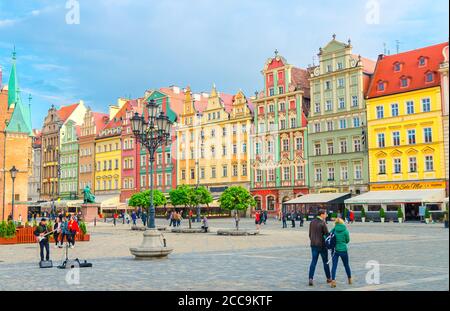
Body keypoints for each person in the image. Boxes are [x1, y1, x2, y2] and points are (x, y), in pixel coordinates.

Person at [308, 209, 331, 286]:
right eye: (325, 214)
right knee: (325, 262)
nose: (326, 215)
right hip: (321, 245)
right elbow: (327, 235)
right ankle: (328, 278)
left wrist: (312, 240)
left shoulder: (312, 222)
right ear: (321, 214)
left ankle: (310, 278)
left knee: (313, 262)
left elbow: (310, 234)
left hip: (313, 244)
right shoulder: (322, 223)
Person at [330, 218, 352, 288]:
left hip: (335, 251)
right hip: (343, 250)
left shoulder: (333, 230)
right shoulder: (345, 230)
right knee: (346, 265)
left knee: (334, 266)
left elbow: (328, 237)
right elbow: (347, 240)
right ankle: (349, 279)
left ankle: (333, 281)